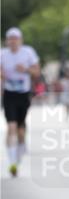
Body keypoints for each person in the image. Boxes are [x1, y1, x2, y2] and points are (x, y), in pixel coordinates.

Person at [1, 27, 41, 177]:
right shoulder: (2, 54)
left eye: (15, 38)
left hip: (23, 94)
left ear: (20, 40)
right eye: (10, 39)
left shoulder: (28, 52)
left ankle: (21, 147)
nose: (13, 41)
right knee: (11, 126)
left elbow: (37, 72)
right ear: (7, 41)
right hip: (9, 94)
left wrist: (25, 70)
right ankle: (12, 162)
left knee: (20, 130)